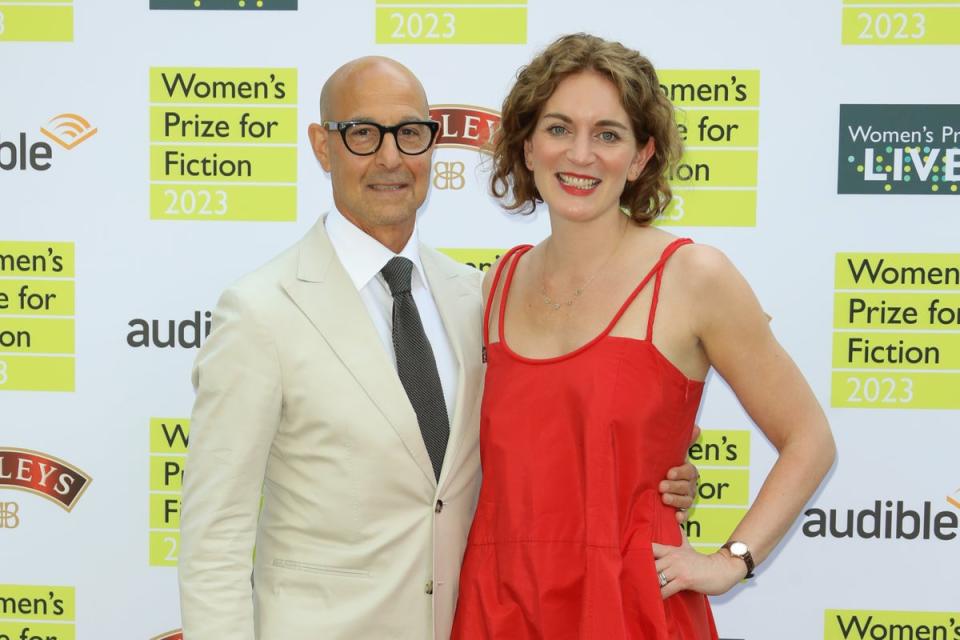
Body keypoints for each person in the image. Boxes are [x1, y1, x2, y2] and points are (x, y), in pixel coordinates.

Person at [177, 55, 699, 640]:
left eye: (410, 133)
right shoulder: (260, 311)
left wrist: (653, 464)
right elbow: (213, 538)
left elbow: (546, 431)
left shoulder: (478, 296)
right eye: (363, 134)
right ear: (323, 147)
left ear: (432, 145)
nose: (391, 157)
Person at [450, 33, 836, 639]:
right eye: (558, 129)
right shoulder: (494, 284)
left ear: (639, 157)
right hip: (498, 605)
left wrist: (731, 561)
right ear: (526, 147)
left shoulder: (692, 276)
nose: (581, 154)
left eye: (608, 134)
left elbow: (810, 440)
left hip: (630, 608)